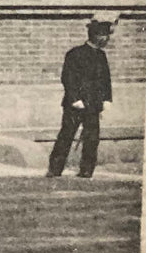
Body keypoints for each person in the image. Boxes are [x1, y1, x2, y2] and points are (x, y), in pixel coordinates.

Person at [46, 19, 114, 178]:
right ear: (95, 36)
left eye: (106, 35)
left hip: (94, 104)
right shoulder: (75, 54)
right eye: (103, 35)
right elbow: (67, 78)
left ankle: (86, 170)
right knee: (67, 135)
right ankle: (55, 169)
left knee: (92, 138)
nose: (106, 39)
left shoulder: (101, 56)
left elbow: (106, 80)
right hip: (75, 105)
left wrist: (107, 100)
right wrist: (75, 99)